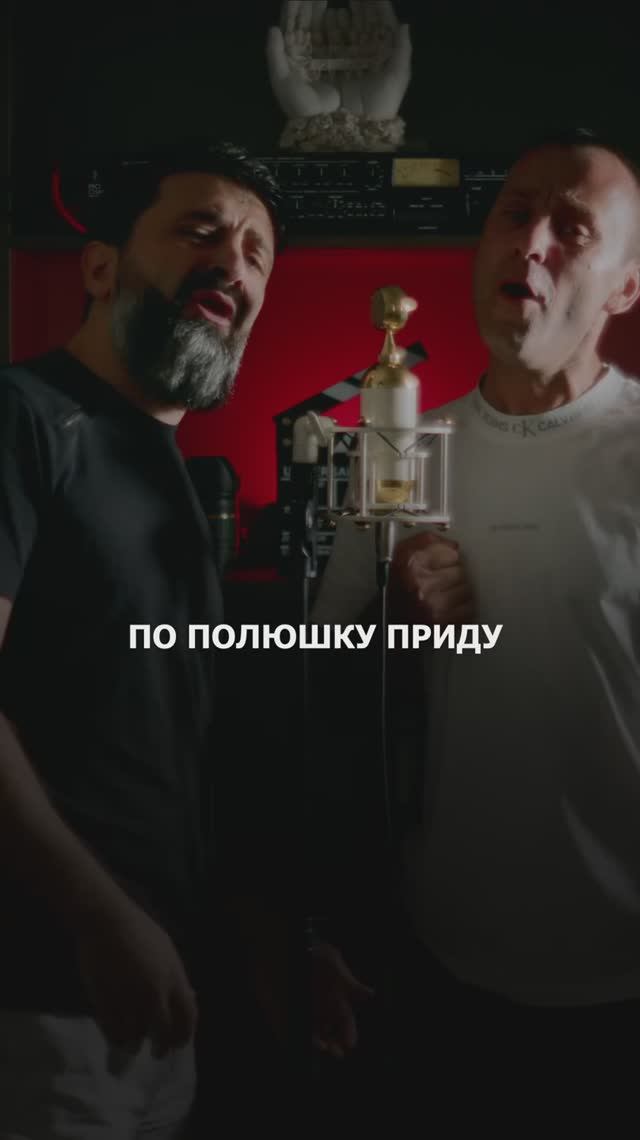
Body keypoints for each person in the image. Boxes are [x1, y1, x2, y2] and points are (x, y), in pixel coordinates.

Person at [309, 127, 640, 1110]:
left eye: (571, 228)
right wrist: (396, 620)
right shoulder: (398, 448)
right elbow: (323, 679)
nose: (530, 240)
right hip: (443, 955)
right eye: (513, 214)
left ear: (624, 287)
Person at [0, 141, 283, 1137]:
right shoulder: (21, 418)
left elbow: (175, 743)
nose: (233, 263)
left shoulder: (169, 474)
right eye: (201, 231)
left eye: (256, 253)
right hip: (40, 1000)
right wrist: (97, 915)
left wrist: (269, 938)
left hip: (158, 994)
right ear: (100, 267)